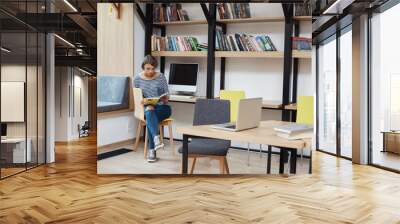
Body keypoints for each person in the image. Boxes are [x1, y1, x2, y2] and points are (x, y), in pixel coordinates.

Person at [134, 55, 171, 162]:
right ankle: (155, 142)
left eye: (153, 69)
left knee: (151, 115)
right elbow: (137, 98)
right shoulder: (137, 79)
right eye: (148, 69)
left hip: (162, 108)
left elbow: (167, 95)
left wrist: (164, 98)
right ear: (143, 67)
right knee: (149, 111)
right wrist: (144, 102)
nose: (150, 71)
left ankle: (153, 145)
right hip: (145, 108)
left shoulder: (161, 77)